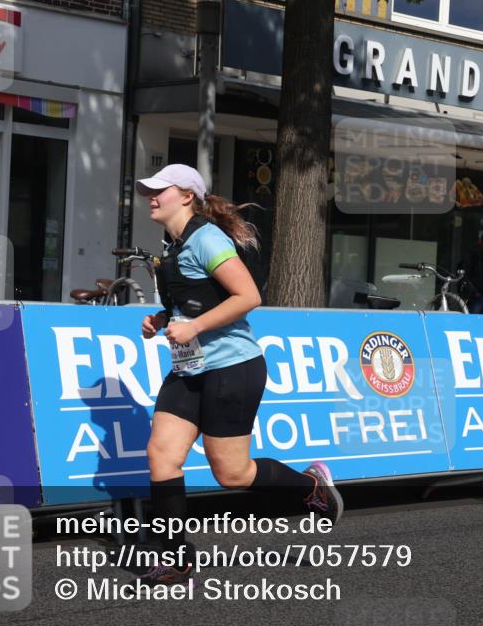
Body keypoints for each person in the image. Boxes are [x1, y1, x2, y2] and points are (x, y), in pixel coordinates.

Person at [135, 164, 343, 585]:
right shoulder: (174, 246)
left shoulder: (207, 238)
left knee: (231, 474)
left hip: (233, 367)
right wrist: (163, 318)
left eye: (161, 190)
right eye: (148, 191)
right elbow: (194, 302)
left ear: (187, 196)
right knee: (161, 454)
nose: (151, 196)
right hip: (190, 368)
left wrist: (192, 327)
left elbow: (248, 295)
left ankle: (312, 487)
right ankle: (176, 557)